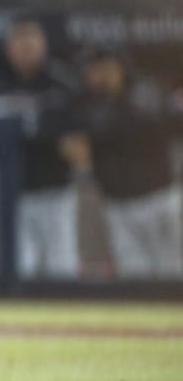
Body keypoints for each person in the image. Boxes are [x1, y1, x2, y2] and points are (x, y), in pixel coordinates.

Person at [60, 46, 183, 279]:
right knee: (133, 277)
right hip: (117, 204)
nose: (95, 74)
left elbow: (173, 124)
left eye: (102, 68)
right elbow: (73, 146)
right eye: (92, 69)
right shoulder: (84, 104)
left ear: (117, 68)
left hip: (159, 198)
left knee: (173, 272)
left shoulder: (147, 93)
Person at [0, 15, 80, 280]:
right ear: (8, 47)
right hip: (15, 195)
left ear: (43, 43)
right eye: (19, 40)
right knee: (20, 269)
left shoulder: (62, 82)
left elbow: (77, 139)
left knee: (63, 268)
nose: (25, 47)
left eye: (31, 40)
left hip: (57, 190)